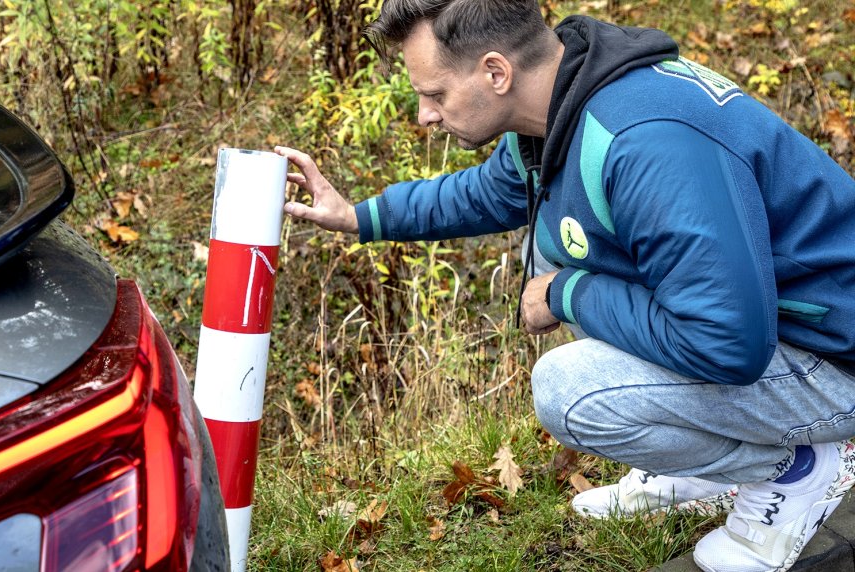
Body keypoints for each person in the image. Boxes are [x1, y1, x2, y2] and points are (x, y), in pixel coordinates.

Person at [273, 1, 855, 571]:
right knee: (559, 241)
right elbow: (488, 193)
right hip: (776, 325)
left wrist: (566, 294)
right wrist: (360, 217)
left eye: (435, 94)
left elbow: (726, 342)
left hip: (834, 353)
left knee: (569, 391)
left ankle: (792, 471)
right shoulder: (561, 106)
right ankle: (702, 466)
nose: (425, 115)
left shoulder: (647, 141)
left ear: (496, 72)